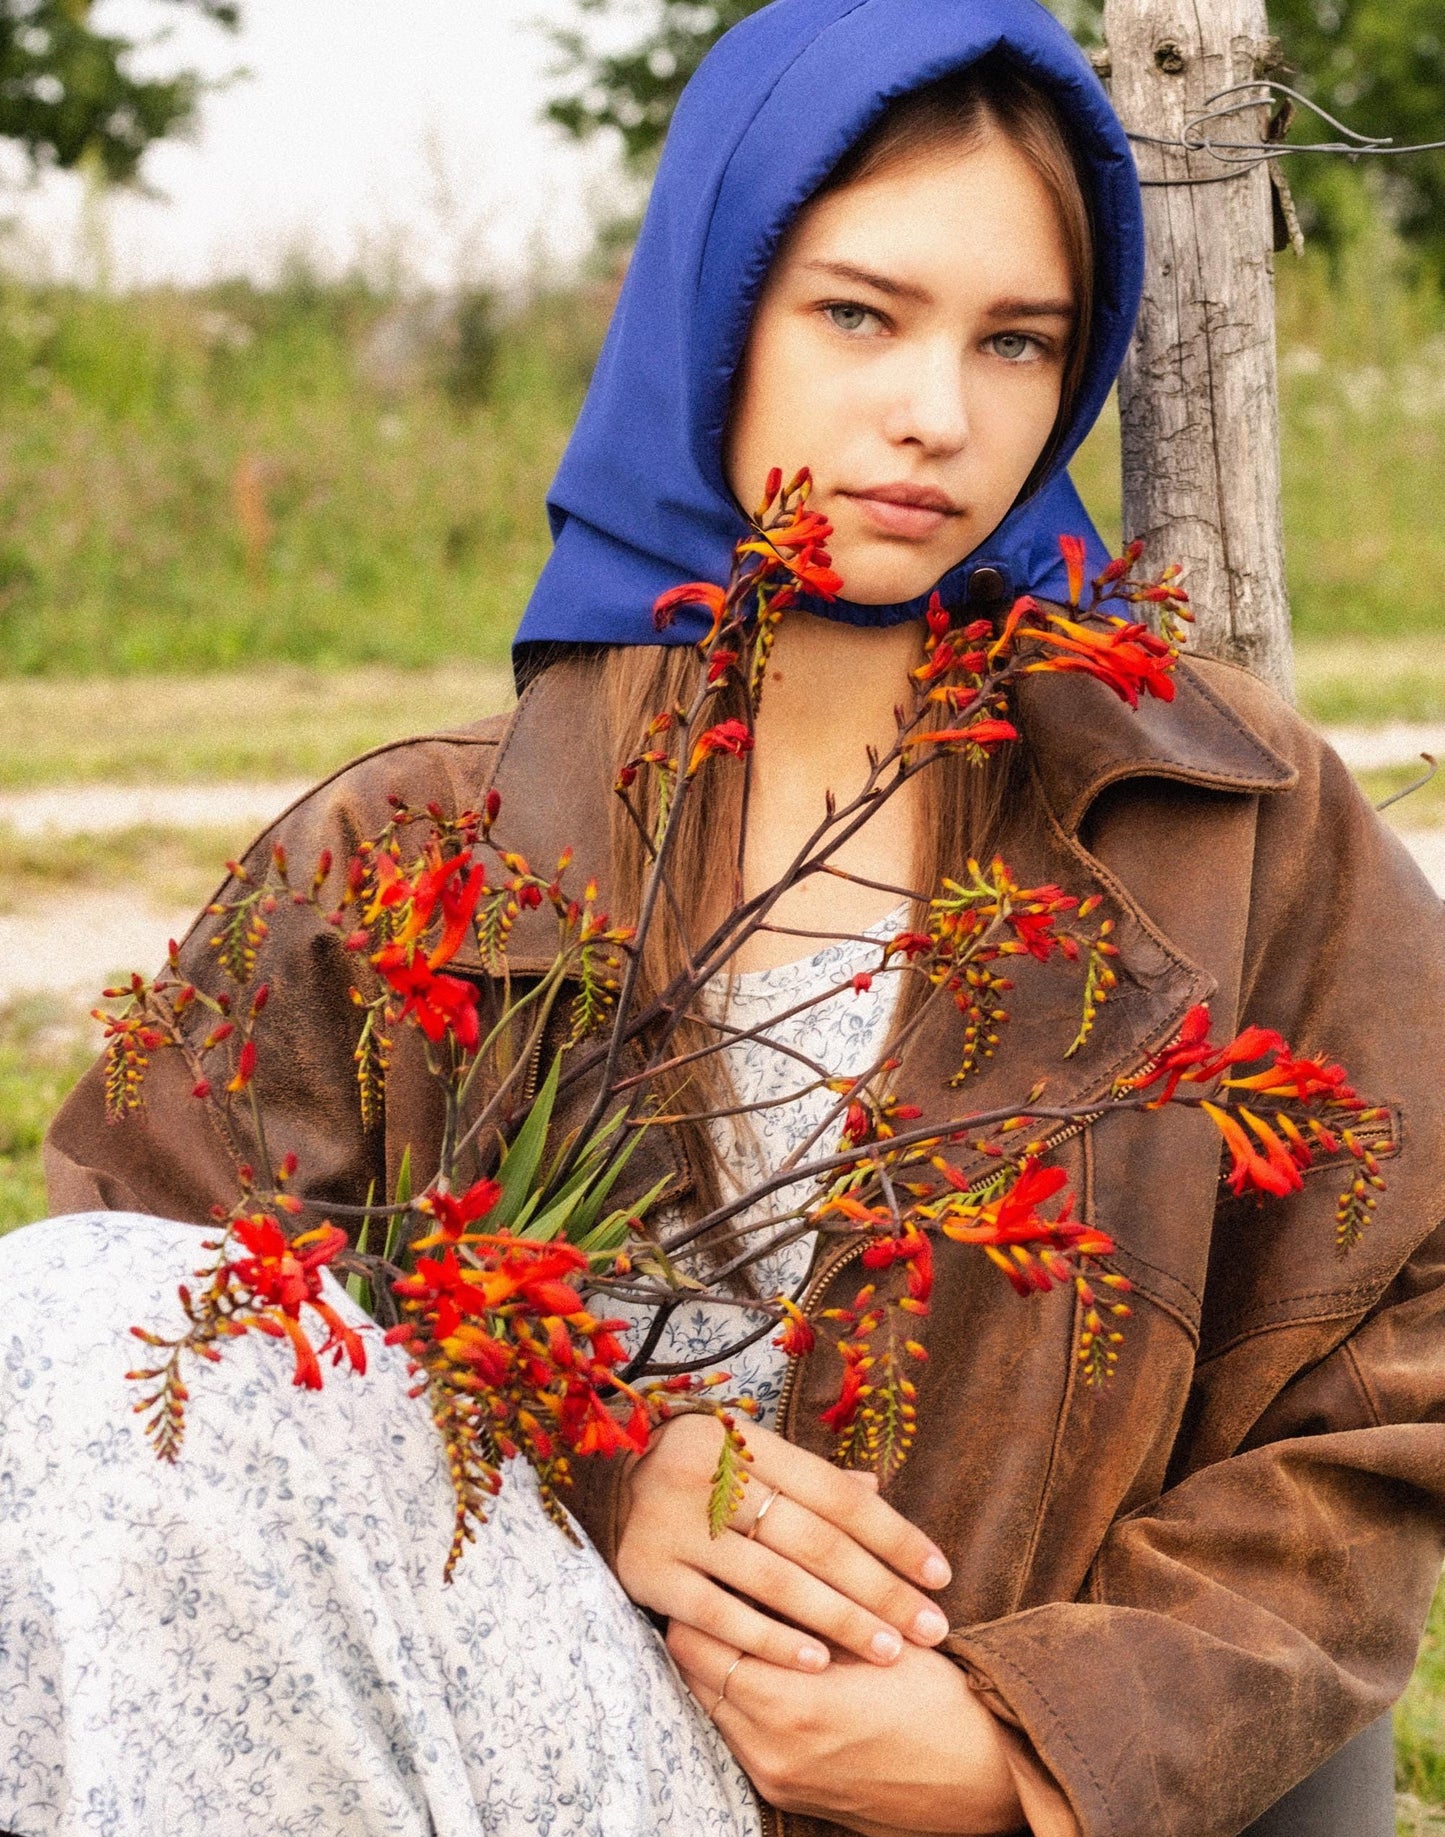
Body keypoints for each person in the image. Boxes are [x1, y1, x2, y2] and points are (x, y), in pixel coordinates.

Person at [5, 1, 1443, 1833]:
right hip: (488, 1757)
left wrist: (1035, 1737)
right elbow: (174, 1385)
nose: (936, 413)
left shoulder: (1220, 821)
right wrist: (611, 1469)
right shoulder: (419, 850)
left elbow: (1399, 1357)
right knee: (63, 1307)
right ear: (715, 306)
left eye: (1018, 340)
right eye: (859, 312)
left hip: (937, 1780)